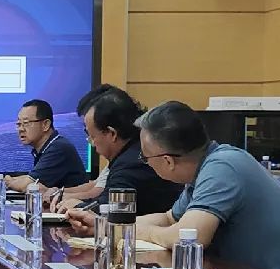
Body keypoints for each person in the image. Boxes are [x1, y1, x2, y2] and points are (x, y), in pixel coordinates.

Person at [67, 100, 280, 269]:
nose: (143, 162)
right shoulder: (206, 166)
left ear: (167, 160)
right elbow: (169, 218)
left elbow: (187, 238)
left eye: (145, 157)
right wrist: (105, 225)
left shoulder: (223, 167)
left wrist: (130, 231)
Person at [50, 87, 182, 215]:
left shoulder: (131, 164)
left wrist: (78, 206)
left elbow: (112, 211)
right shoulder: (131, 151)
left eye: (92, 136)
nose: (92, 143)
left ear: (111, 133)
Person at [0, 99, 88, 192]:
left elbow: (27, 185)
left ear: (45, 125)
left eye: (26, 123)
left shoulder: (58, 148)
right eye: (19, 124)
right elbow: (30, 177)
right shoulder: (47, 146)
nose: (21, 129)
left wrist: (2, 182)